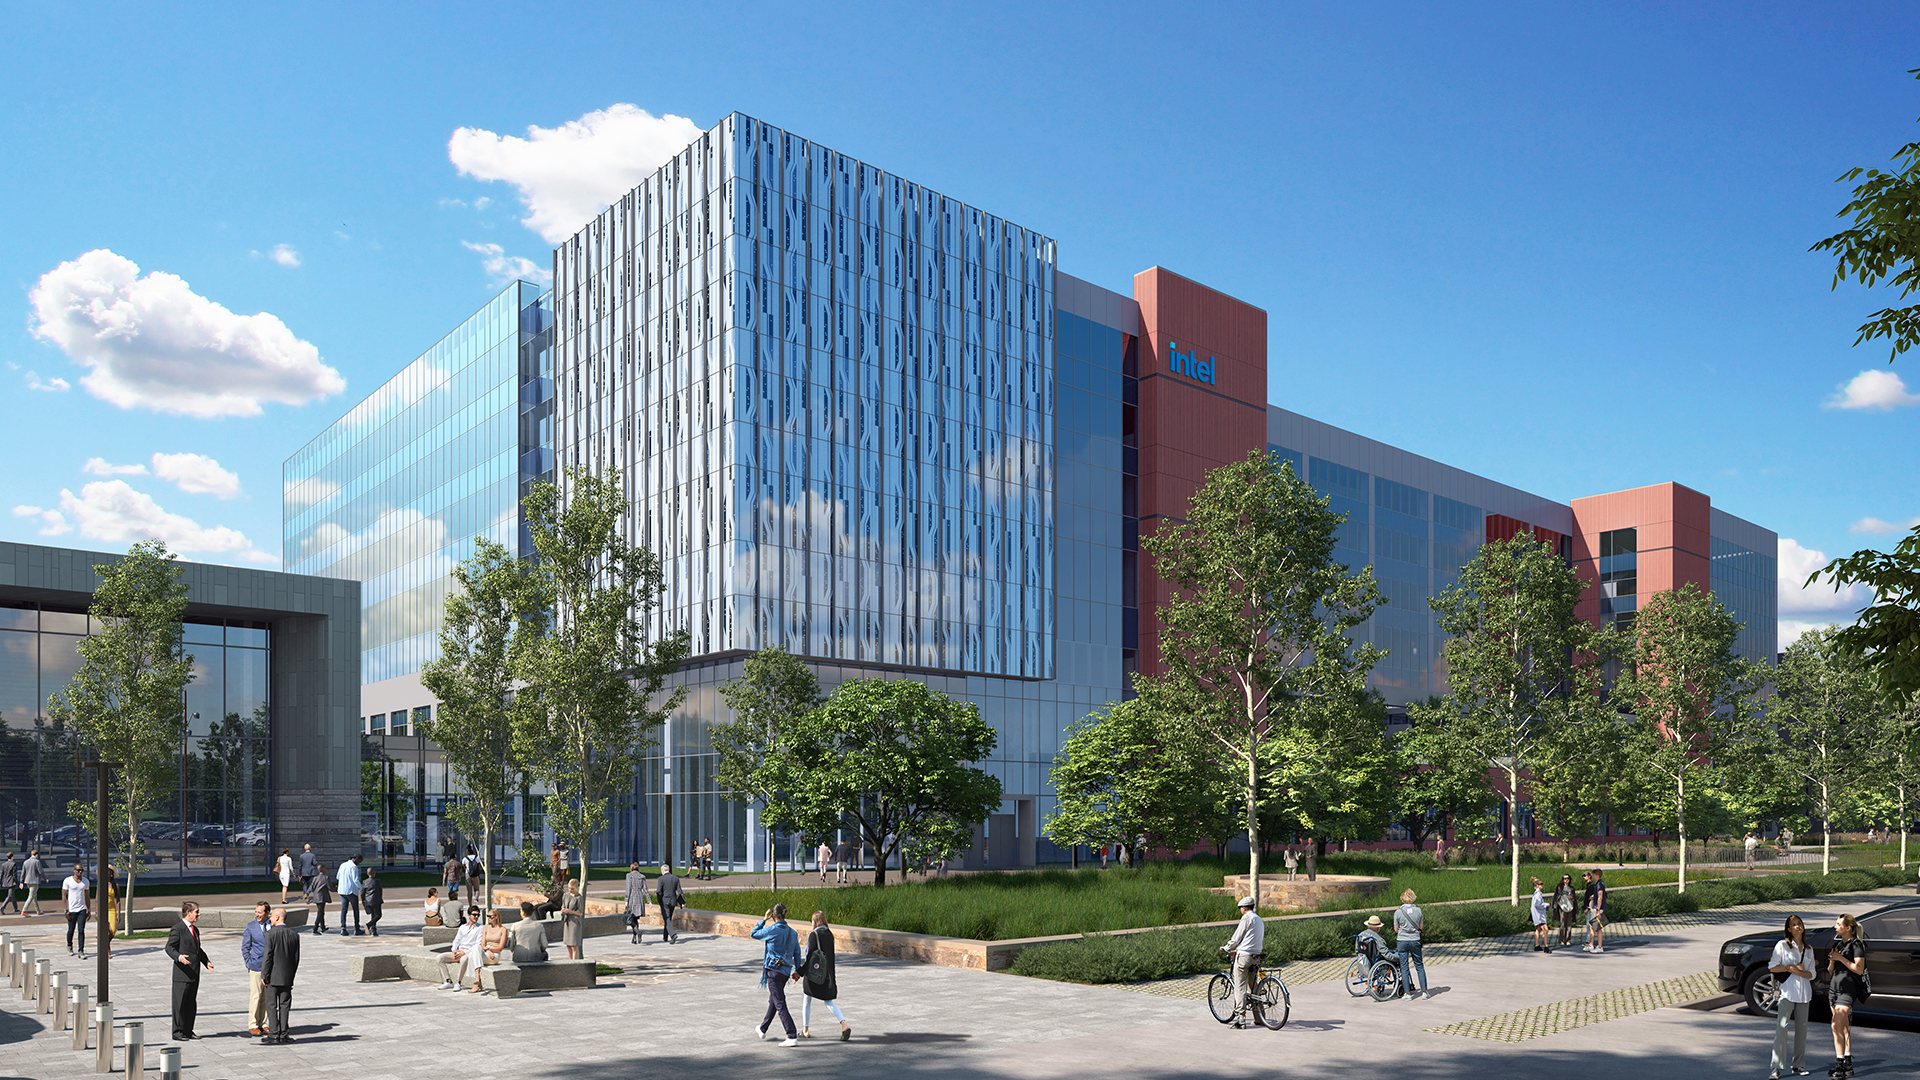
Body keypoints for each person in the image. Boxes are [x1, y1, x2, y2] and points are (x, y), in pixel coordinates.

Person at [1769, 914, 1815, 1079]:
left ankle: (1798, 1065)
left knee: (1802, 1031)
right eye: (1794, 924)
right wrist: (1792, 969)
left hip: (1804, 994)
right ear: (1788, 929)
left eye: (1800, 923)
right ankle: (1776, 1067)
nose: (1798, 926)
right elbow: (1773, 967)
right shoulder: (1782, 945)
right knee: (1781, 1028)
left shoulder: (1809, 949)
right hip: (1787, 992)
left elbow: (1812, 974)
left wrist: (1800, 972)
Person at [751, 903, 804, 1047]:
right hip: (785, 972)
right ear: (785, 915)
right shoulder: (792, 933)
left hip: (773, 972)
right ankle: (762, 1029)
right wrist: (797, 970)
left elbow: (753, 933)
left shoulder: (771, 930)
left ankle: (791, 1035)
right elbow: (798, 953)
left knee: (779, 1003)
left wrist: (763, 920)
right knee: (774, 1001)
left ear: (773, 915)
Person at [1826, 913, 1867, 1078]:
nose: (1835, 926)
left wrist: (1840, 958)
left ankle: (1840, 1065)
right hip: (1834, 989)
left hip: (1847, 990)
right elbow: (1830, 971)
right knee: (1842, 1026)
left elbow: (1859, 969)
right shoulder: (1839, 944)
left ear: (1847, 928)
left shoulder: (1857, 945)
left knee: (1835, 1026)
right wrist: (1832, 961)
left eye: (1838, 924)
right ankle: (1848, 1063)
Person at [166, 901, 214, 1041]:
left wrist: (206, 962)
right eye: (196, 911)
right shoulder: (177, 929)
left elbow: (197, 950)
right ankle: (177, 1032)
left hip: (194, 973)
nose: (199, 914)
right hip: (182, 974)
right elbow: (169, 948)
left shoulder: (195, 930)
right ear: (189, 912)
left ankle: (188, 1030)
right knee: (179, 1004)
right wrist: (179, 957)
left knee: (191, 1004)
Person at [800, 910, 851, 1040]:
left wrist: (800, 972)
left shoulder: (814, 935)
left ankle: (805, 1030)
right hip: (827, 975)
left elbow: (810, 957)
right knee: (828, 1002)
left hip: (814, 974)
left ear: (815, 921)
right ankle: (844, 1025)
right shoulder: (829, 935)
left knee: (807, 999)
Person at [1219, 895, 1264, 1026]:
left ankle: (1241, 1020)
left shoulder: (1246, 918)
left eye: (1240, 908)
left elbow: (1237, 937)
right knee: (1254, 988)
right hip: (1256, 957)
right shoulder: (1259, 919)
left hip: (1244, 959)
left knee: (1240, 987)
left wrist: (1226, 947)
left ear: (1244, 907)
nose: (1240, 910)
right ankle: (1260, 1018)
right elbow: (1250, 940)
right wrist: (1238, 950)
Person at [260, 906, 299, 1045]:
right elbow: (296, 959)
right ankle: (284, 1034)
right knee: (284, 1006)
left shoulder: (270, 934)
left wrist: (264, 974)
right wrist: (291, 976)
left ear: (277, 917)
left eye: (271, 916)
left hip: (272, 977)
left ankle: (273, 1034)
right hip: (287, 977)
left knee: (271, 1006)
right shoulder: (294, 935)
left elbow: (268, 957)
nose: (270, 918)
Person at [241, 902, 270, 1036]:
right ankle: (252, 1024)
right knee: (256, 996)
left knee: (266, 996)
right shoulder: (250, 927)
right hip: (256, 967)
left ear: (267, 913)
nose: (257, 914)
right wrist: (249, 963)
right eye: (256, 912)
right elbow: (245, 948)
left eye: (260, 912)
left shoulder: (272, 925)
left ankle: (263, 1023)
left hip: (271, 967)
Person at [1393, 888, 1428, 999]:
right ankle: (1424, 992)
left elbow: (1396, 929)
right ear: (1413, 898)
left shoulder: (1398, 912)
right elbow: (1420, 926)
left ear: (1402, 899)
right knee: (1419, 966)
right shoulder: (1418, 911)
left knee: (1404, 967)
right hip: (1415, 940)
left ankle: (1407, 993)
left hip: (1402, 941)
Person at [439, 906, 484, 990]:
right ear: (469, 915)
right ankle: (448, 981)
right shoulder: (462, 927)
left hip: (469, 952)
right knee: (439, 958)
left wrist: (465, 953)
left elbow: (478, 944)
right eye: (474, 915)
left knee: (463, 959)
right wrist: (454, 950)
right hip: (459, 951)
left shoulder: (480, 928)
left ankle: (458, 982)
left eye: (478, 915)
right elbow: (456, 940)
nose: (476, 917)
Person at [472, 909, 511, 993]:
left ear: (496, 917)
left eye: (490, 916)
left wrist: (488, 948)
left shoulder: (503, 929)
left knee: (472, 957)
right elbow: (482, 944)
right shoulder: (486, 928)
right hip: (486, 953)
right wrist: (488, 950)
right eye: (487, 916)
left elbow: (500, 947)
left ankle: (477, 983)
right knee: (476, 948)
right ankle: (477, 978)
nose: (488, 918)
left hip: (495, 956)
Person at [62, 863, 89, 957]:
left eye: (82, 870)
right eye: (78, 870)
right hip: (71, 909)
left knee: (81, 930)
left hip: (82, 909)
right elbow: (64, 896)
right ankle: (69, 946)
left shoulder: (85, 881)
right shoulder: (68, 880)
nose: (80, 872)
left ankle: (81, 951)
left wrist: (88, 909)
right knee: (71, 930)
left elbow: (87, 896)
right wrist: (66, 910)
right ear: (74, 870)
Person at [656, 862, 684, 944]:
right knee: (667, 918)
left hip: (665, 901)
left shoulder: (661, 879)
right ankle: (665, 936)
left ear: (663, 870)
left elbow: (658, 891)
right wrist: (682, 902)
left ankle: (673, 935)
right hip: (673, 901)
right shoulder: (676, 878)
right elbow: (679, 891)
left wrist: (659, 900)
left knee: (667, 918)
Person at [336, 854, 363, 936]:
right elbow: (355, 880)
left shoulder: (342, 865)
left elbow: (338, 877)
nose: (359, 863)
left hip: (342, 890)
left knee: (344, 910)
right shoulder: (353, 867)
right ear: (356, 859)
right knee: (355, 910)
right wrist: (362, 888)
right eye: (359, 861)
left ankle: (343, 928)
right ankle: (357, 929)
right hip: (351, 891)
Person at [624, 862, 649, 944]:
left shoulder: (629, 876)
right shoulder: (642, 877)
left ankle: (638, 933)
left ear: (631, 868)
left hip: (632, 898)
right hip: (640, 898)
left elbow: (628, 889)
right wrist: (649, 901)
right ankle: (634, 938)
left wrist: (626, 900)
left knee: (631, 919)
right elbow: (645, 890)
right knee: (634, 919)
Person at [1584, 869, 1608, 953]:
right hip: (1594, 907)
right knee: (1591, 926)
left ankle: (1600, 947)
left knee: (1597, 927)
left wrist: (1598, 910)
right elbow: (1598, 895)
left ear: (1597, 875)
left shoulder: (1600, 884)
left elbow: (1600, 897)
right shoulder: (1598, 884)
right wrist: (1594, 896)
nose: (1592, 876)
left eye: (1593, 875)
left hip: (1597, 908)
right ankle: (1591, 945)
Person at [560, 878, 586, 960]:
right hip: (567, 921)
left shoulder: (579, 898)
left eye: (572, 888)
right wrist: (563, 910)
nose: (570, 890)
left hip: (574, 923)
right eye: (569, 888)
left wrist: (570, 911)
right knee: (568, 945)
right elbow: (563, 905)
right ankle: (570, 962)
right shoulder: (566, 895)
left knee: (574, 945)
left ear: (577, 887)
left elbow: (580, 912)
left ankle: (575, 963)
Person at [1552, 874, 1578, 947]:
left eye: (1567, 878)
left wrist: (1572, 898)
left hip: (1570, 907)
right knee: (1562, 924)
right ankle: (1560, 940)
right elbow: (1556, 897)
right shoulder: (1559, 887)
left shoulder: (1571, 888)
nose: (1566, 880)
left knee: (1569, 925)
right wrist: (1559, 904)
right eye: (1564, 878)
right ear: (1562, 879)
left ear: (1569, 879)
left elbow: (1574, 899)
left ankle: (1567, 940)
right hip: (1562, 908)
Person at [304, 863, 331, 934]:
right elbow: (330, 888)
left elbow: (312, 888)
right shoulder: (326, 877)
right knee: (320, 913)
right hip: (322, 897)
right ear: (323, 869)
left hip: (316, 897)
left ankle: (323, 927)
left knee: (321, 912)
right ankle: (315, 929)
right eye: (325, 868)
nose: (326, 870)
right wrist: (337, 888)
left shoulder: (315, 878)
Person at [1529, 877, 1552, 953]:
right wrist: (1546, 904)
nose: (1542, 885)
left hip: (1536, 914)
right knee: (1546, 930)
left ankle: (1537, 945)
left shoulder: (1536, 893)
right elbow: (1537, 904)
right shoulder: (1538, 894)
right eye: (1541, 884)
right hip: (1539, 916)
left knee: (1538, 929)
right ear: (1537, 885)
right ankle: (1546, 947)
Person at [21, 849, 45, 915]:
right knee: (31, 896)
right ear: (36, 854)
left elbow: (23, 873)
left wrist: (21, 882)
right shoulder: (37, 862)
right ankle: (24, 911)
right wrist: (45, 878)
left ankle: (38, 911)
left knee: (34, 896)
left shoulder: (25, 862)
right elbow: (40, 871)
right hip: (34, 881)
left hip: (28, 881)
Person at [363, 868, 383, 936]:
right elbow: (380, 891)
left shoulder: (365, 882)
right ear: (374, 873)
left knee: (373, 916)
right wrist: (380, 898)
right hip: (376, 900)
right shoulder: (377, 881)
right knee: (378, 915)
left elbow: (362, 892)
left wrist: (363, 900)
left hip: (368, 901)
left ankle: (374, 931)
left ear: (367, 874)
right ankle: (368, 925)